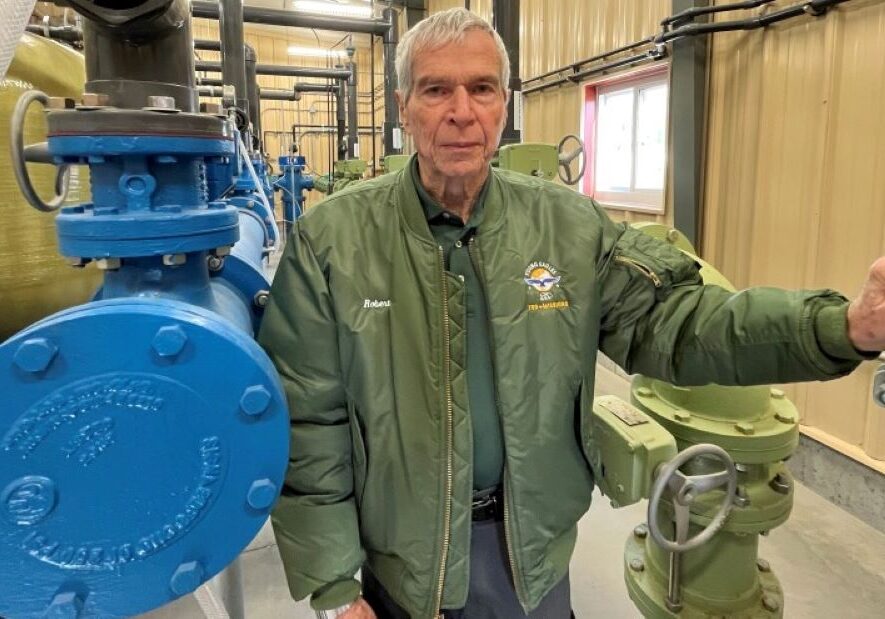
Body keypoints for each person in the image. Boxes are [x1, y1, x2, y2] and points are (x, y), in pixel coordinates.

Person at [258, 8, 885, 619]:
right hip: (399, 554)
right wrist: (335, 585)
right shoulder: (334, 240)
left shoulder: (566, 225)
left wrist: (842, 326)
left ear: (503, 105)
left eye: (481, 88)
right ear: (404, 109)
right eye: (435, 89)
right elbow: (310, 421)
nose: (460, 112)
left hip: (529, 550)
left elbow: (683, 324)